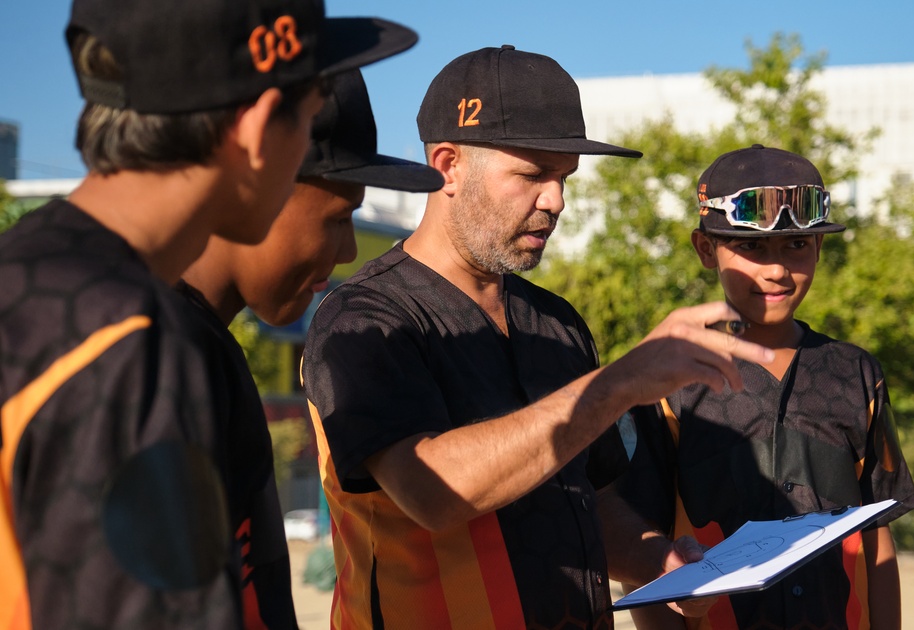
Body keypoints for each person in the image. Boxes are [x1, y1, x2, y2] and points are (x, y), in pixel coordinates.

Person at [302, 45, 775, 629]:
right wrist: (619, 383)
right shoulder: (365, 317)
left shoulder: (558, 323)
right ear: (447, 164)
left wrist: (656, 557)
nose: (556, 201)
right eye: (532, 174)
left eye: (564, 177)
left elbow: (588, 501)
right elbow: (433, 493)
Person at [0, 0, 418, 626]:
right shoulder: (129, 342)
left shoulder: (33, 281)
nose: (349, 249)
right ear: (255, 128)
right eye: (307, 120)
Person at [609, 144, 914, 630]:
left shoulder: (855, 372)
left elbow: (877, 534)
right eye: (751, 247)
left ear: (819, 246)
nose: (776, 269)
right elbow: (642, 553)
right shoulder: (667, 379)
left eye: (796, 245)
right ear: (706, 249)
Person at [176, 68, 442, 630]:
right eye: (338, 217)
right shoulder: (144, 353)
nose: (347, 250)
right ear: (255, 172)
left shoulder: (204, 346)